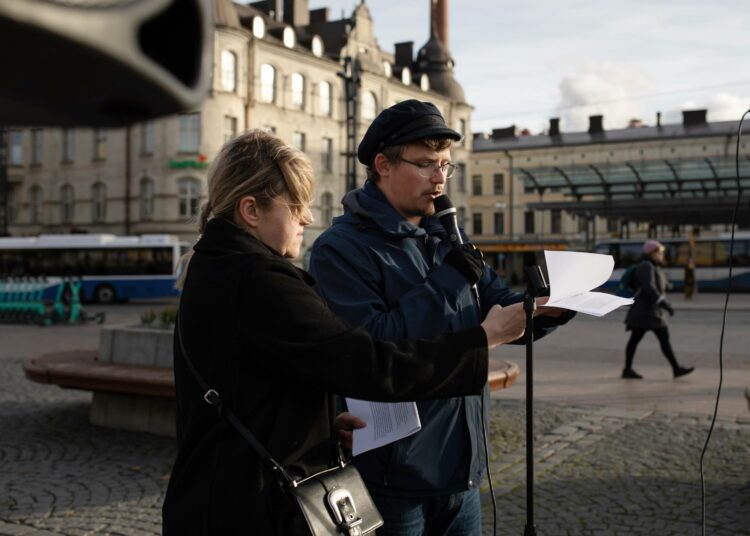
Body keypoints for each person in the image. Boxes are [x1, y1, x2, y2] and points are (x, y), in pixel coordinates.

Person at [161, 129, 531, 535]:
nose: (308, 217)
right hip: (246, 508)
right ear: (251, 210)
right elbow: (370, 362)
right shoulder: (258, 280)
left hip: (219, 497)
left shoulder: (217, 265)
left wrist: (321, 423)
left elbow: (256, 380)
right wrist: (482, 340)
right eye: (296, 205)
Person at [308, 100, 574, 535]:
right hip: (393, 474)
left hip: (462, 468)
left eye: (446, 166)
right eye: (427, 165)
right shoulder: (341, 249)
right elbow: (374, 346)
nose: (440, 179)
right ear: (383, 165)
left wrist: (547, 308)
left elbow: (497, 308)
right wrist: (448, 282)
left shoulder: (446, 234)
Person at [622, 239, 695, 379]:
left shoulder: (653, 266)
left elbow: (658, 284)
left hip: (651, 312)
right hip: (644, 312)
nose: (662, 255)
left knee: (658, 339)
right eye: (660, 253)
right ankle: (628, 370)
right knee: (638, 340)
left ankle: (675, 369)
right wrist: (665, 304)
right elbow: (649, 287)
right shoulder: (646, 266)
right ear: (652, 253)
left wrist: (668, 286)